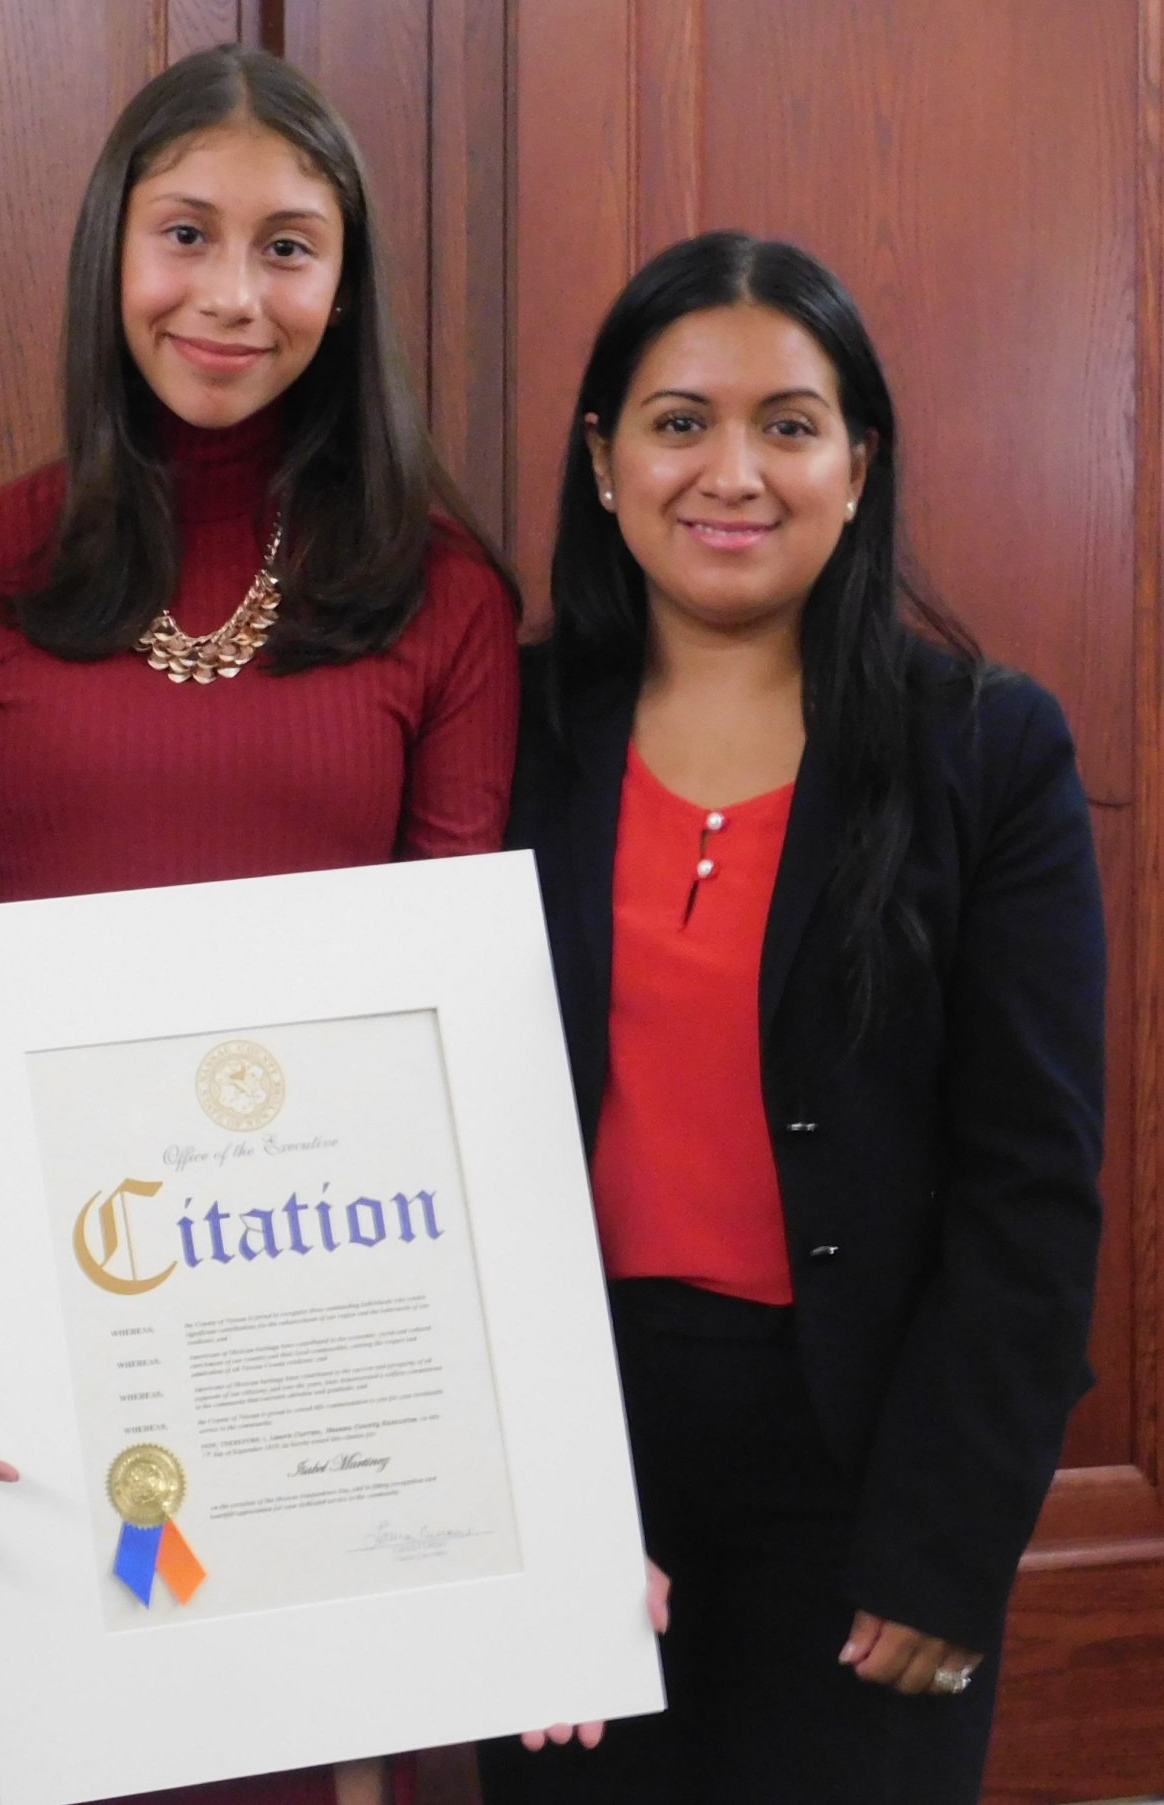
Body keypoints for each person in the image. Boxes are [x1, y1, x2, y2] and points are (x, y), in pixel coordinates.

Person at [0, 45, 519, 1805]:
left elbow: (455, 1034)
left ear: (348, 278)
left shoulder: (442, 596)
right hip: (48, 1334)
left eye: (291, 246)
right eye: (187, 235)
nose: (233, 296)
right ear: (109, 253)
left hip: (335, 1345)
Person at [477, 233, 1105, 1803]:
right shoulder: (506, 725)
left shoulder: (990, 748)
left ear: (857, 461)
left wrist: (951, 1537)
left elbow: (1031, 1183)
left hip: (868, 1473)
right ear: (603, 461)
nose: (732, 471)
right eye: (680, 421)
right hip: (565, 1454)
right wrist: (512, 1497)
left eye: (790, 422)